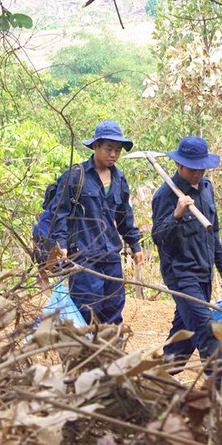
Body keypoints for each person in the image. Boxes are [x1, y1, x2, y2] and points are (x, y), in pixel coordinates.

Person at [48, 121, 143, 324]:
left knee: (114, 309)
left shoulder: (119, 179)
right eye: (109, 149)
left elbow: (124, 215)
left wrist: (135, 245)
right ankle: (84, 353)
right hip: (84, 257)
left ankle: (110, 353)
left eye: (117, 150)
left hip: (111, 257)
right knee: (87, 310)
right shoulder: (76, 176)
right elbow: (60, 213)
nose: (113, 154)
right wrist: (61, 245)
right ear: (96, 146)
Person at [152, 136, 222, 368]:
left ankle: (159, 379)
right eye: (192, 168)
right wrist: (176, 215)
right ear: (179, 165)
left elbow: (213, 231)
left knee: (185, 336)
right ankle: (218, 393)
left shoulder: (207, 188)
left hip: (204, 272)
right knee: (208, 330)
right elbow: (158, 238)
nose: (198, 173)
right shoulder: (166, 195)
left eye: (202, 167)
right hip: (181, 274)